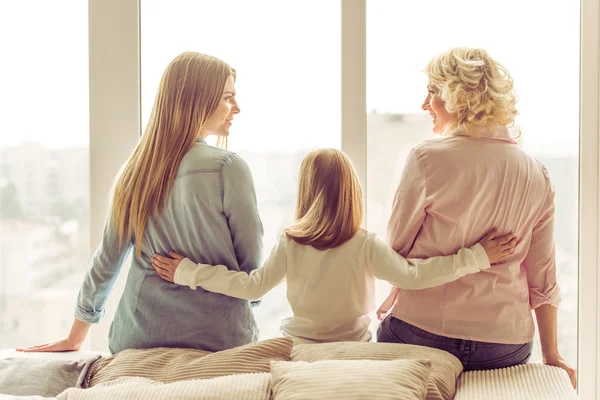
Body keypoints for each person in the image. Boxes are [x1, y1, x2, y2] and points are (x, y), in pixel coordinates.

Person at [17, 52, 263, 354]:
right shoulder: (229, 168)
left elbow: (106, 261)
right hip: (221, 341)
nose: (236, 108)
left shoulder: (135, 174)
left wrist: (74, 338)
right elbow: (251, 270)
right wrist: (250, 301)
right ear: (198, 100)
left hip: (138, 339)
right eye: (228, 98)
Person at [151, 148, 516, 344]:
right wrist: (479, 256)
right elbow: (415, 276)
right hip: (353, 350)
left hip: (298, 349)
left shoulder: (291, 241)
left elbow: (251, 286)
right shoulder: (364, 244)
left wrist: (188, 272)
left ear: (306, 192)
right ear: (351, 193)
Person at [375, 47, 576, 387]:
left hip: (420, 334)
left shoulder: (425, 158)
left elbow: (397, 251)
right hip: (506, 347)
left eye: (432, 92)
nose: (425, 105)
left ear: (456, 95)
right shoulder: (537, 173)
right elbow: (542, 279)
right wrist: (552, 355)